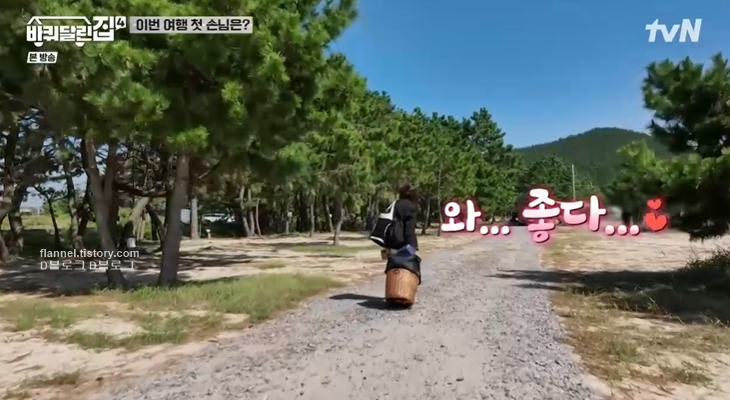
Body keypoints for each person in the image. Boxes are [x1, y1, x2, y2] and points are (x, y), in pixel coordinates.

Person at [393, 183, 418, 255]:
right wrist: (413, 245)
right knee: (408, 261)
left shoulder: (395, 204)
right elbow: (409, 228)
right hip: (404, 243)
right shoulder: (409, 206)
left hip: (392, 241)